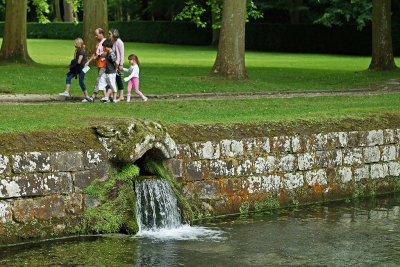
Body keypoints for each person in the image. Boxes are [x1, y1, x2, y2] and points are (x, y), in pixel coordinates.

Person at [83, 28, 107, 102]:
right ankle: (106, 97)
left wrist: (99, 56)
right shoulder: (98, 43)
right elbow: (95, 53)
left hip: (104, 65)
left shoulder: (106, 42)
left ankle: (93, 96)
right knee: (103, 81)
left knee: (99, 80)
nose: (95, 37)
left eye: (96, 35)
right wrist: (88, 62)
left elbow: (107, 53)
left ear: (101, 34)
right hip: (99, 65)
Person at [99, 39, 118, 103]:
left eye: (104, 47)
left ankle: (114, 99)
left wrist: (115, 69)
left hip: (111, 72)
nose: (103, 48)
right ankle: (106, 97)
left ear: (107, 47)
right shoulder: (108, 53)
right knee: (102, 81)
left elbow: (117, 62)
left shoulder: (112, 54)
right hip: (107, 71)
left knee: (112, 85)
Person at [108, 28, 125, 101]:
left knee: (118, 79)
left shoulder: (119, 42)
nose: (108, 35)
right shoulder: (111, 41)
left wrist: (121, 64)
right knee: (112, 79)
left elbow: (122, 54)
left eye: (109, 34)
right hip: (112, 63)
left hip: (117, 63)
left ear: (114, 34)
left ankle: (121, 96)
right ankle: (111, 95)